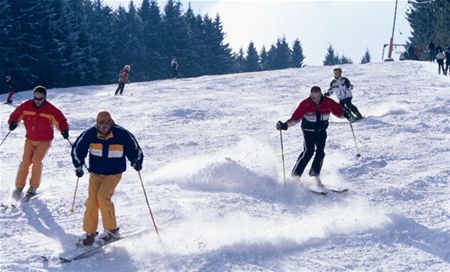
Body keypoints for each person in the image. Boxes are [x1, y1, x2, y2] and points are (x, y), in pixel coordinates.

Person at [71, 111, 143, 246]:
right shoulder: (90, 134)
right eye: (100, 124)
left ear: (111, 122)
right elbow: (77, 149)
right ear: (97, 124)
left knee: (102, 196)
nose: (103, 127)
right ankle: (90, 233)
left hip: (113, 173)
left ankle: (112, 230)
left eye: (106, 123)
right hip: (96, 173)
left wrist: (136, 161)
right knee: (92, 201)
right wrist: (78, 166)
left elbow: (134, 148)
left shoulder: (121, 134)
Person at [276, 86, 350, 188]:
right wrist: (284, 125)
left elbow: (338, 111)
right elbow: (295, 118)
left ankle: (314, 176)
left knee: (320, 152)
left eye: (316, 96)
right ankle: (295, 176)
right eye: (312, 96)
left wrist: (345, 114)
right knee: (308, 152)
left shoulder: (328, 102)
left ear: (320, 94)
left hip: (321, 131)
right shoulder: (305, 103)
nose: (314, 99)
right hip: (308, 131)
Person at [8, 85, 69, 200]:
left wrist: (64, 130)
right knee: (25, 162)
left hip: (44, 140)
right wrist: (13, 122)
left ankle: (33, 188)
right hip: (30, 139)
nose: (37, 101)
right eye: (35, 98)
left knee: (36, 161)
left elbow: (60, 120)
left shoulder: (51, 110)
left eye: (40, 99)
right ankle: (19, 187)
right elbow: (16, 114)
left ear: (45, 98)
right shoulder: (26, 106)